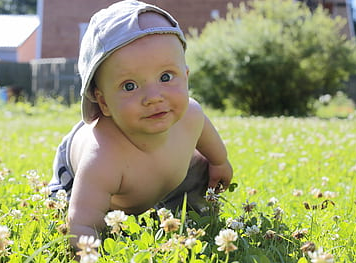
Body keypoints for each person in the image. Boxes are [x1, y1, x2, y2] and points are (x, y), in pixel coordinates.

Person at [48, 0, 233, 248]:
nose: (154, 97)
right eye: (129, 86)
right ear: (103, 103)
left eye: (166, 77)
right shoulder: (101, 157)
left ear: (186, 76)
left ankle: (181, 213)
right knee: (67, 208)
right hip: (74, 171)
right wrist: (85, 251)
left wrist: (219, 163)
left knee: (198, 173)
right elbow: (81, 224)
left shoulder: (191, 114)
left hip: (164, 178)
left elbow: (210, 143)